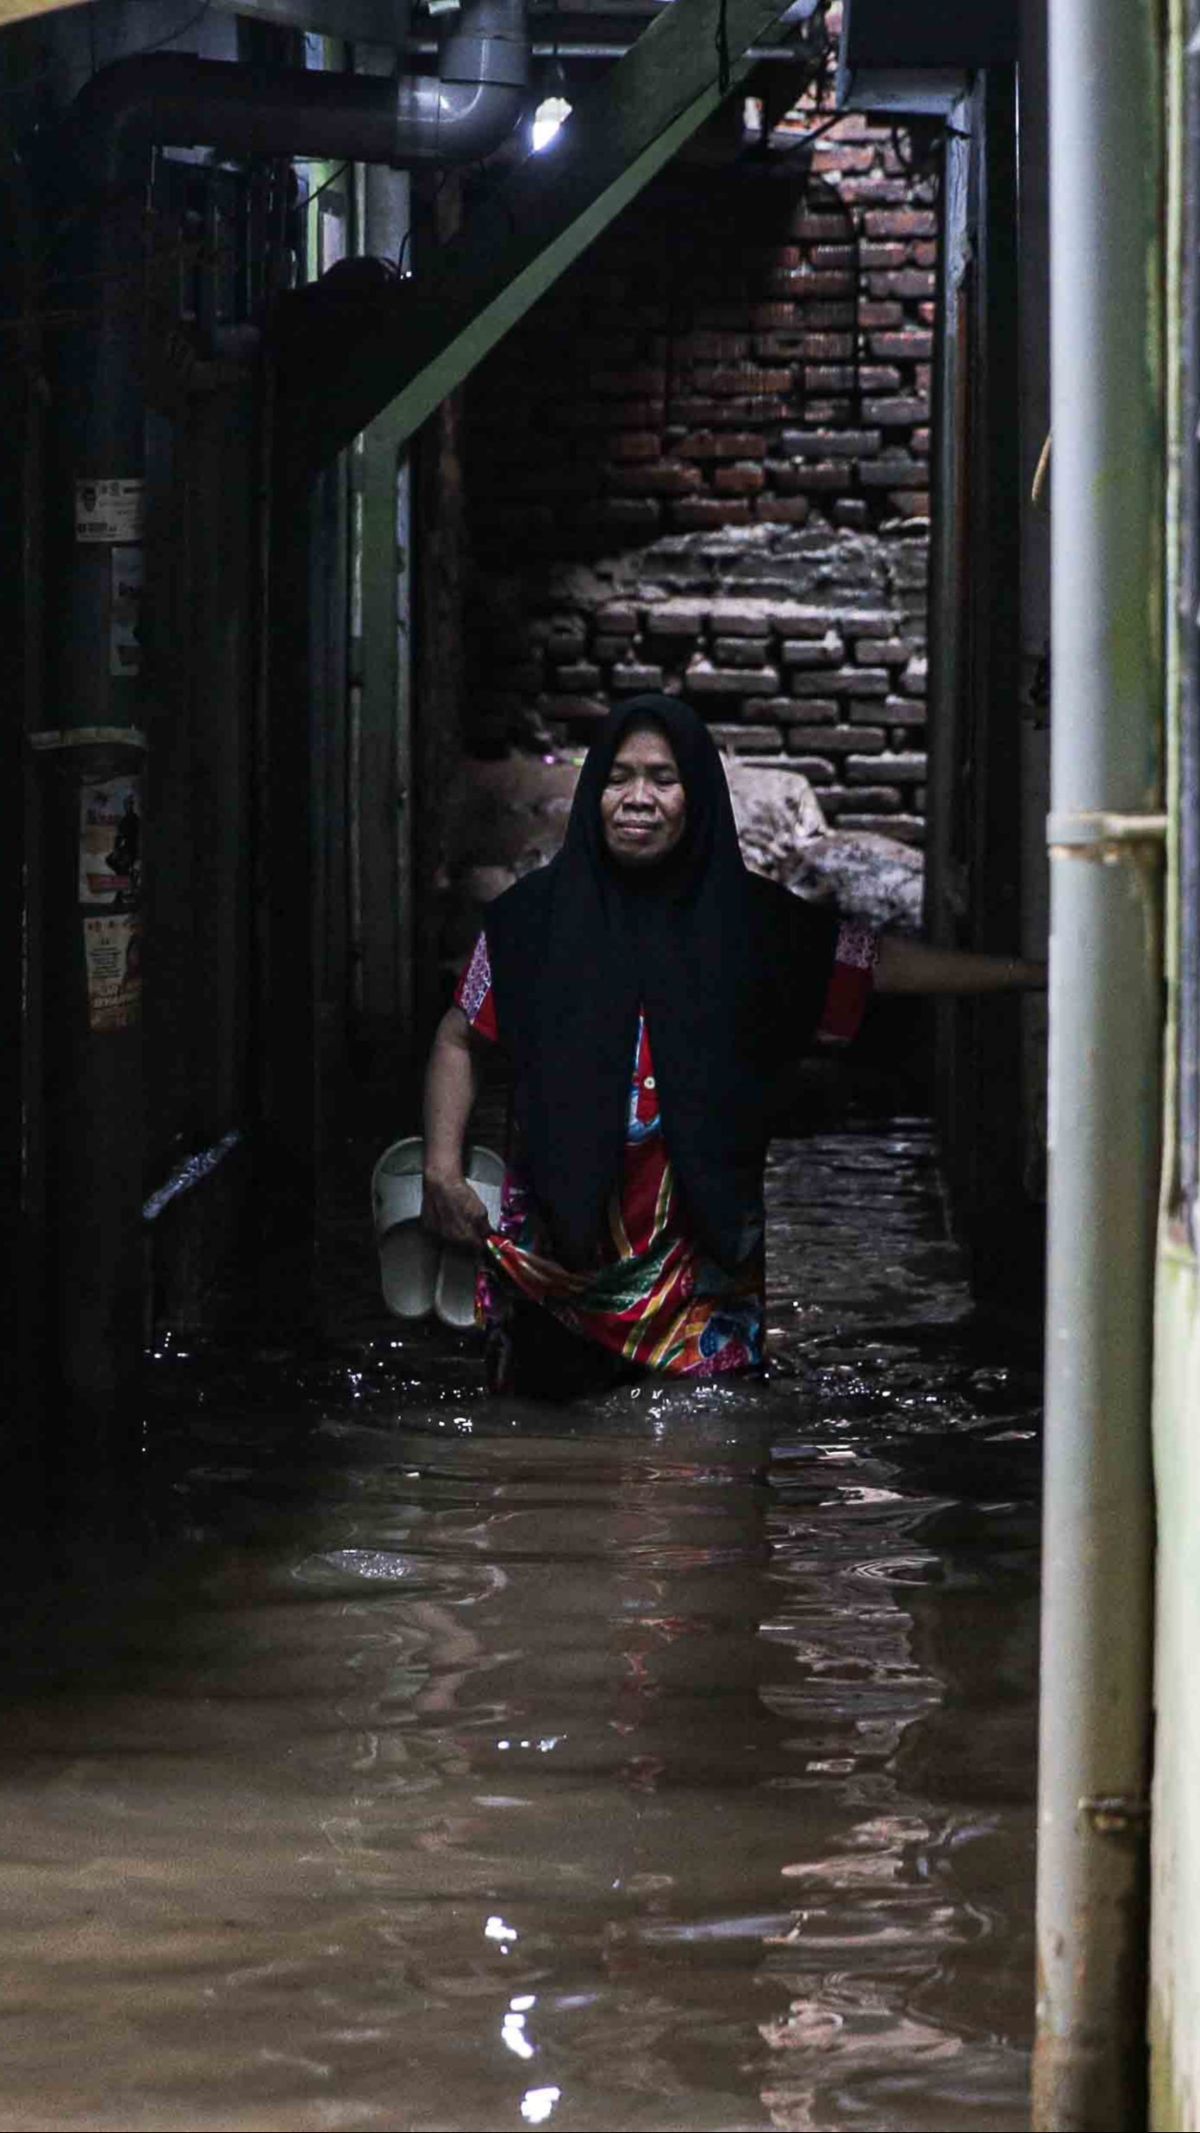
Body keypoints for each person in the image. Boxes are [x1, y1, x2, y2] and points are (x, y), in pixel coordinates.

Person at [421, 696, 1045, 1398]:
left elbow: (879, 965)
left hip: (701, 1276)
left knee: (703, 1466)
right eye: (618, 777)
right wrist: (442, 1170)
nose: (637, 798)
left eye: (663, 778)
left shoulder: (753, 925)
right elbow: (458, 1037)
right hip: (554, 1269)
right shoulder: (527, 922)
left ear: (699, 796)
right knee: (537, 1459)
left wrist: (1031, 974)